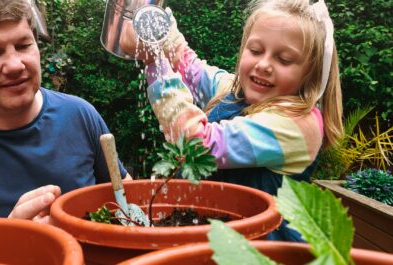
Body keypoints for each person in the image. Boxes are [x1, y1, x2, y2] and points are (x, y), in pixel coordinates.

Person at [121, 0, 343, 241]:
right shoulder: (235, 90)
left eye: (284, 60)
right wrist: (155, 26)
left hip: (259, 250)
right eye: (256, 50)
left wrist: (154, 62)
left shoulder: (298, 125)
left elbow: (198, 146)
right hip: (215, 239)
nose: (264, 64)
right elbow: (190, 68)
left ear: (309, 74)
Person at [0, 0, 131, 223]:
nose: (15, 65)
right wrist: (13, 240)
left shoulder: (80, 115)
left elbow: (129, 202)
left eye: (23, 45)